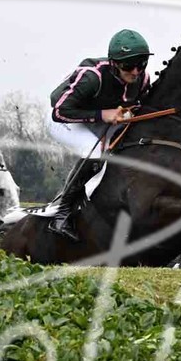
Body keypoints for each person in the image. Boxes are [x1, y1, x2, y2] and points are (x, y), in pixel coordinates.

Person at [46, 28, 152, 239]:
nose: (135, 72)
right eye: (128, 66)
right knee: (94, 152)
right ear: (114, 64)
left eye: (141, 64)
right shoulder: (92, 77)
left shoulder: (142, 79)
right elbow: (59, 111)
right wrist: (102, 115)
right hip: (65, 119)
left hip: (101, 121)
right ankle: (61, 215)